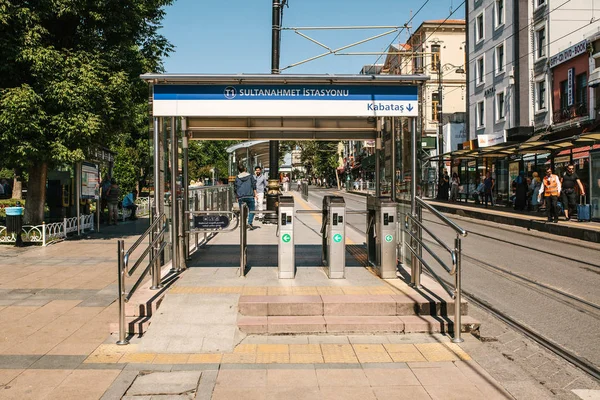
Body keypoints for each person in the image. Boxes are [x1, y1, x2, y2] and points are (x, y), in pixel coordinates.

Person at [234, 165, 257, 230]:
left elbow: (235, 188)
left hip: (241, 196)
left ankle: (243, 223)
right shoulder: (250, 176)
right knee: (252, 209)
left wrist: (237, 196)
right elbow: (253, 185)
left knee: (242, 210)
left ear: (239, 170)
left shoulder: (237, 178)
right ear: (245, 169)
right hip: (249, 195)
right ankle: (249, 222)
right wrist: (255, 193)